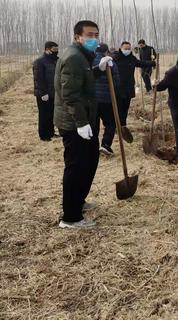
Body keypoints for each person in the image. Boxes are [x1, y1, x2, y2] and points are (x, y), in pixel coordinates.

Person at [54, 20, 113, 229]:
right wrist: (80, 122)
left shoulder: (83, 57)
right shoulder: (73, 58)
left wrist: (99, 68)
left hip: (85, 119)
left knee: (89, 161)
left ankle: (78, 201)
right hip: (74, 122)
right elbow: (70, 95)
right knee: (76, 166)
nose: (94, 39)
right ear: (78, 37)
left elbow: (83, 79)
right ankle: (70, 217)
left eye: (96, 34)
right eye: (89, 35)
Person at [114, 41, 156, 142]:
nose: (127, 50)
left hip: (129, 87)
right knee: (118, 108)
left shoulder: (131, 58)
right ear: (121, 48)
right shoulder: (116, 58)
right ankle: (117, 126)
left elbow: (141, 63)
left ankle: (123, 126)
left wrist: (152, 62)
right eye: (125, 48)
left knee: (125, 107)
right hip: (118, 87)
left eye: (129, 48)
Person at [93, 43, 120, 155]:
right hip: (107, 99)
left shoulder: (89, 61)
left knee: (94, 124)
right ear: (106, 51)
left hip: (92, 100)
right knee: (110, 123)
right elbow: (116, 82)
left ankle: (92, 147)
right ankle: (106, 144)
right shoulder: (111, 63)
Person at [33, 41, 59, 141]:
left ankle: (51, 132)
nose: (56, 52)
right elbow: (38, 79)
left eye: (57, 49)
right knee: (44, 114)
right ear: (47, 49)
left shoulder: (55, 60)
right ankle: (44, 135)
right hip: (43, 94)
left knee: (51, 113)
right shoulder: (39, 61)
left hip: (53, 92)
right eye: (54, 50)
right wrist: (43, 93)